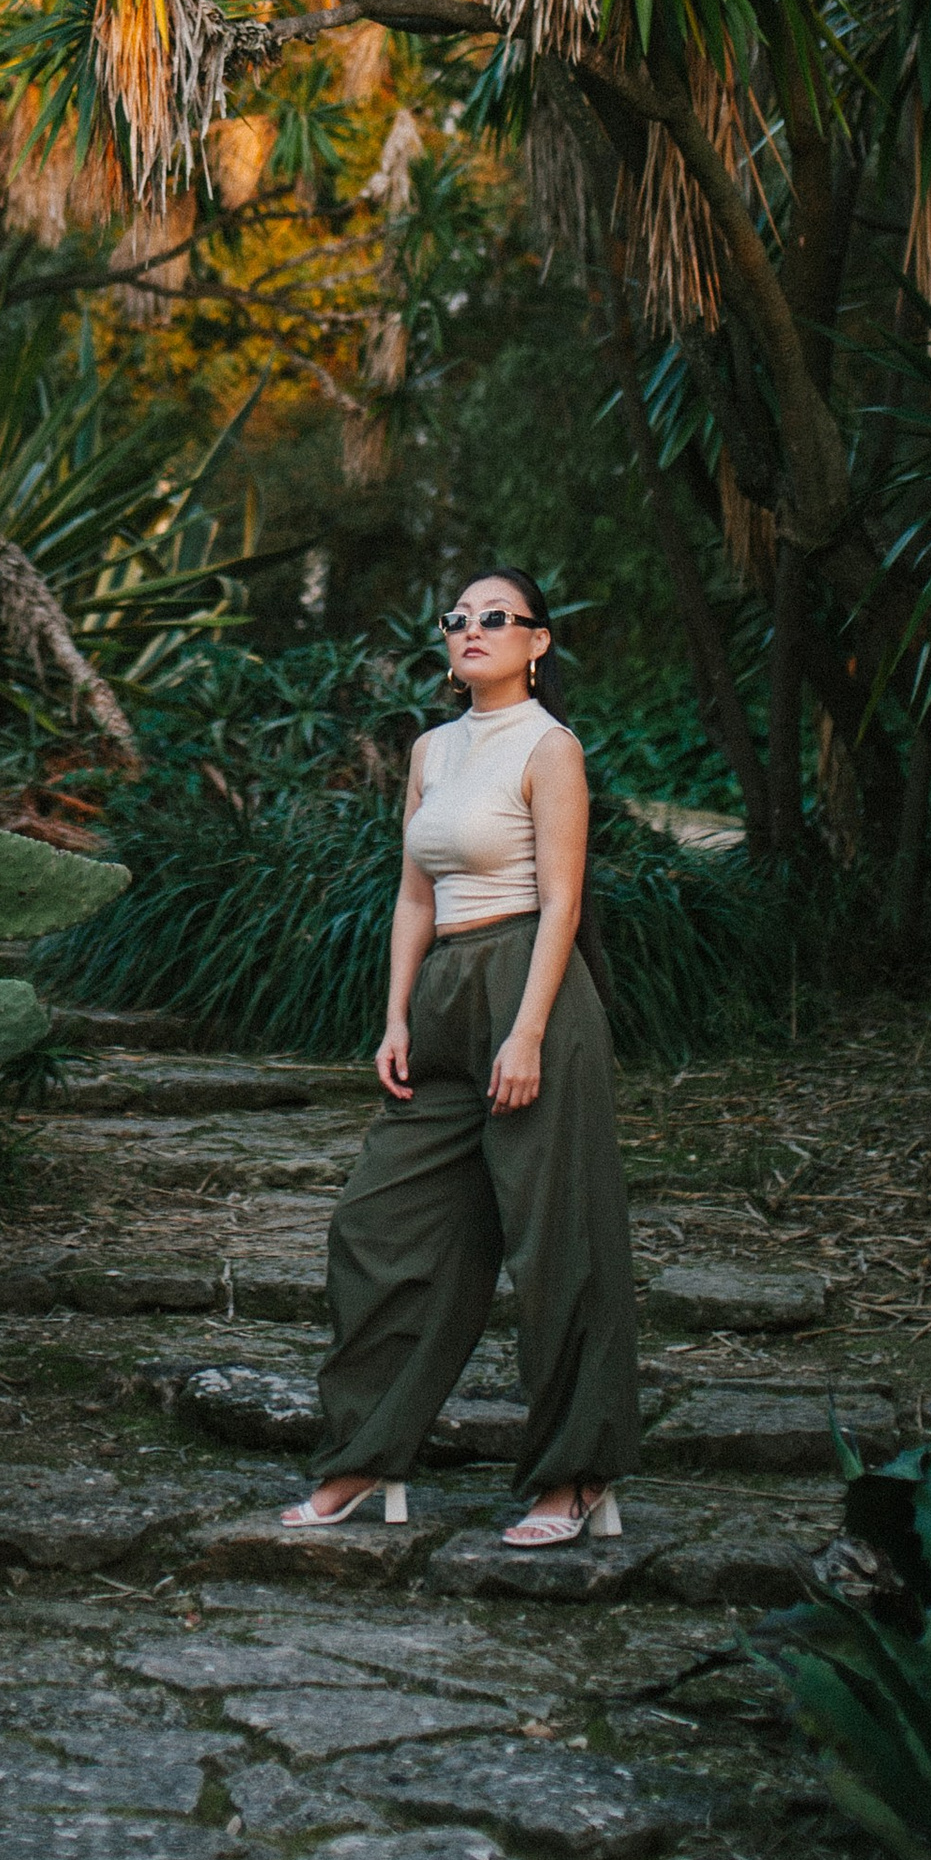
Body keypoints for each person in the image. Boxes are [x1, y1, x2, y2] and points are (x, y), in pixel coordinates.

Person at [283, 568, 644, 1547]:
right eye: (458, 617)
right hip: (445, 990)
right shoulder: (432, 749)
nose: (472, 628)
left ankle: (575, 1476)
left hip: (532, 984)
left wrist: (526, 1030)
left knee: (557, 1238)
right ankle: (364, 1454)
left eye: (496, 617)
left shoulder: (548, 746)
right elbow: (414, 892)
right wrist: (395, 1017)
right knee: (377, 1221)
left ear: (537, 642)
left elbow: (563, 901)